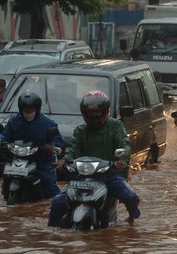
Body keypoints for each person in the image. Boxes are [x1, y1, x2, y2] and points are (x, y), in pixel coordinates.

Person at [48, 90, 140, 227]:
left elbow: (124, 145)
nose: (94, 115)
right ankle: (51, 232)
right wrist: (65, 160)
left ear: (105, 111)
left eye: (97, 112)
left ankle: (132, 218)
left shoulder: (115, 126)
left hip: (109, 175)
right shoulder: (81, 130)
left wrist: (122, 161)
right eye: (90, 113)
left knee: (131, 197)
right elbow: (72, 148)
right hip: (82, 176)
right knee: (57, 202)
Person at [0, 91, 63, 198]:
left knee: (50, 190)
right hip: (18, 158)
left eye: (31, 110)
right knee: (6, 178)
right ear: (21, 110)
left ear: (37, 109)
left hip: (42, 160)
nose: (28, 113)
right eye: (26, 111)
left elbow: (57, 140)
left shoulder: (48, 123)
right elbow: (5, 133)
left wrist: (51, 146)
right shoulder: (14, 121)